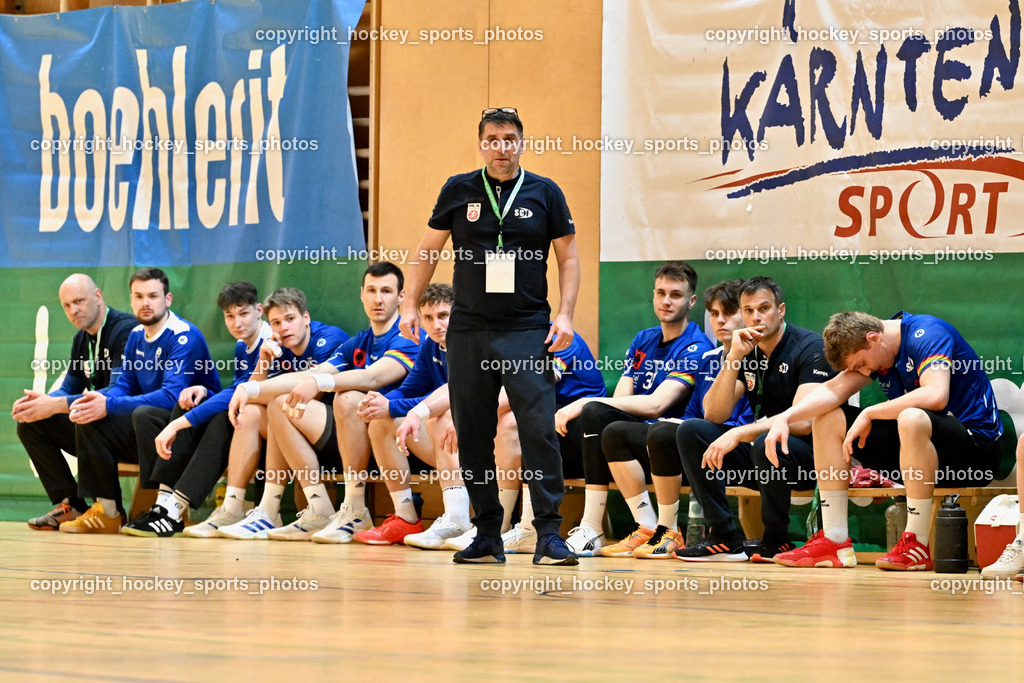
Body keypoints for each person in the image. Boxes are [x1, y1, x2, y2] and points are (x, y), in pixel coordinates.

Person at [400, 106, 581, 566]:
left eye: (509, 139)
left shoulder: (546, 193)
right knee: (473, 434)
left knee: (538, 430)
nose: (501, 147)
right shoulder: (459, 190)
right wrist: (407, 304)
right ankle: (486, 533)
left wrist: (564, 315)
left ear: (522, 142)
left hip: (525, 329)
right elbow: (426, 251)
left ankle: (548, 535)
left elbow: (569, 260)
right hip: (470, 330)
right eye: (493, 139)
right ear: (481, 144)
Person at [767, 310, 1002, 570]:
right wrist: (785, 418)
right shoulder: (877, 349)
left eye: (861, 365)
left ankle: (917, 544)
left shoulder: (927, 333)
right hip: (918, 454)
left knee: (911, 417)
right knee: (828, 417)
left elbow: (936, 395)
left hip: (975, 454)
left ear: (873, 338)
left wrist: (871, 411)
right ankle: (834, 540)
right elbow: (834, 389)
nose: (866, 373)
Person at [218, 262, 418, 542]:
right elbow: (312, 374)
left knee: (347, 399)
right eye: (371, 290)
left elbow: (373, 378)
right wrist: (250, 389)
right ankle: (310, 508)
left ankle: (356, 508)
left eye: (386, 291)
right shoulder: (359, 341)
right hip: (355, 437)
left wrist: (320, 383)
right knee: (279, 403)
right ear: (361, 294)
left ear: (401, 297)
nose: (378, 298)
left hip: (399, 437)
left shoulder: (408, 337)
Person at [552, 261, 712, 557]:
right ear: (652, 296)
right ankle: (638, 526)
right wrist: (594, 407)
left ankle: (594, 526)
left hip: (671, 445)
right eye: (661, 293)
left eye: (675, 295)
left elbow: (656, 404)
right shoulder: (643, 339)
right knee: (591, 419)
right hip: (633, 438)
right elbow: (622, 399)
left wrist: (587, 401)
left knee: (595, 412)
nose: (666, 301)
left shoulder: (696, 346)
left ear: (691, 301)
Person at [674, 276, 833, 562]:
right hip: (764, 457)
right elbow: (714, 412)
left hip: (809, 458)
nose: (756, 317)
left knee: (764, 441)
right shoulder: (747, 350)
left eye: (764, 308)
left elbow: (803, 422)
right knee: (692, 430)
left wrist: (738, 433)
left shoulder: (810, 347)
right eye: (748, 311)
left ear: (781, 309)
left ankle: (776, 539)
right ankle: (724, 537)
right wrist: (734, 356)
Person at [58, 268, 221, 533]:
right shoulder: (135, 336)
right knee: (91, 417)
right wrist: (98, 399)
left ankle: (165, 508)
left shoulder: (183, 336)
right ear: (131, 301)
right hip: (152, 428)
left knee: (143, 414)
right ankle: (107, 513)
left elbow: (170, 396)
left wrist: (109, 404)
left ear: (167, 299)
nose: (146, 303)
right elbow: (124, 385)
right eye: (139, 296)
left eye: (153, 296)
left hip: (193, 432)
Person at [184, 287, 348, 538]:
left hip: (341, 432)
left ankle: (302, 507)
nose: (284, 327)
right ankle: (234, 507)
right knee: (250, 412)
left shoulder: (329, 338)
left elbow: (309, 394)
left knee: (280, 404)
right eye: (276, 322)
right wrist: (262, 362)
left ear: (306, 318)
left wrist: (250, 389)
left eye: (290, 319)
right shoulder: (278, 348)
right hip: (298, 431)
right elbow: (255, 396)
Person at [121, 282, 271, 537]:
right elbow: (239, 387)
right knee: (187, 402)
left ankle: (176, 509)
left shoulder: (269, 343)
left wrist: (177, 424)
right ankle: (163, 506)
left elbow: (244, 393)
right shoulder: (242, 345)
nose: (237, 323)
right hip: (249, 424)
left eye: (244, 314)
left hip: (270, 430)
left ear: (259, 311)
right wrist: (204, 392)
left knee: (224, 419)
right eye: (230, 316)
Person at [632, 279, 753, 559]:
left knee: (685, 430)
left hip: (747, 446)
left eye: (729, 312)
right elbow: (697, 415)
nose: (720, 321)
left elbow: (715, 416)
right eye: (714, 314)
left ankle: (724, 534)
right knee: (647, 432)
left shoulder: (757, 357)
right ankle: (660, 529)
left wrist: (734, 357)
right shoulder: (709, 358)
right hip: (706, 447)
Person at [13, 273, 135, 530]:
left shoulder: (125, 330)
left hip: (132, 432)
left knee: (87, 415)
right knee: (32, 424)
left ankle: (109, 512)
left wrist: (56, 405)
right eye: (67, 305)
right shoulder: (82, 338)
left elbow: (116, 391)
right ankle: (71, 504)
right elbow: (70, 387)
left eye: (79, 301)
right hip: (96, 431)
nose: (74, 310)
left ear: (98, 297)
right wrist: (41, 403)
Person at [353, 283, 468, 548]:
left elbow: (456, 394)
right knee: (380, 423)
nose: (436, 324)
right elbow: (408, 390)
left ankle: (463, 520)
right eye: (427, 317)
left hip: (480, 438)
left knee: (441, 416)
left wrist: (391, 407)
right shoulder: (430, 347)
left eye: (443, 316)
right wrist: (379, 403)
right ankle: (405, 515)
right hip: (448, 440)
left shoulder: (471, 345)